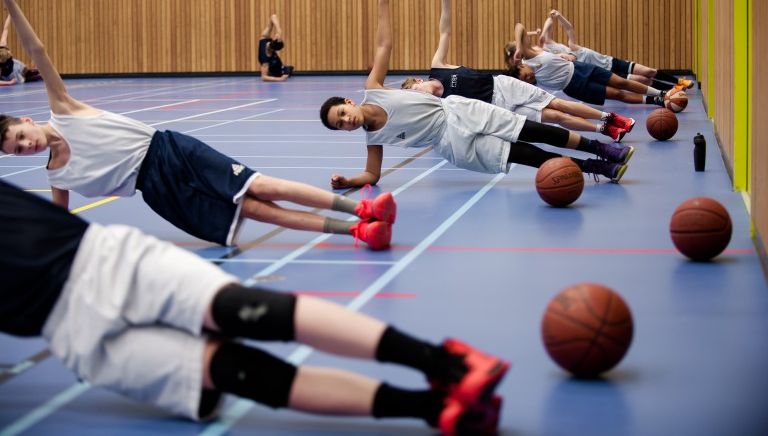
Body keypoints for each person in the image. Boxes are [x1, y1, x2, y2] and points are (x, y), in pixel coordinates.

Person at [0, 178, 509, 436]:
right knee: (240, 370)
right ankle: (438, 406)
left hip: (100, 262)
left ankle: (446, 366)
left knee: (245, 311)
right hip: (73, 329)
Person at [0, 0, 392, 251]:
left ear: (28, 121)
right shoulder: (57, 177)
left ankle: (363, 207)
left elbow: (37, 51)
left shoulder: (64, 109)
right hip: (156, 190)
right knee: (257, 212)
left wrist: (10, 1)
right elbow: (59, 226)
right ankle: (357, 232)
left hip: (169, 151)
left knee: (261, 187)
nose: (25, 146)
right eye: (17, 151)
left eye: (20, 136)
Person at [319, 0, 634, 187]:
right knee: (526, 155)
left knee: (536, 129)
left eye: (342, 114)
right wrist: (349, 181)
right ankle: (597, 169)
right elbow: (372, 175)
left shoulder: (374, 90)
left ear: (349, 102)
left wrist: (383, 1)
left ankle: (603, 149)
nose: (347, 121)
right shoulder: (373, 139)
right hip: (451, 142)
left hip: (460, 110)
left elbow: (383, 45)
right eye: (340, 125)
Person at [401, 0, 635, 142]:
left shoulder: (438, 68)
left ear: (419, 81)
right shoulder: (438, 105)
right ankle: (604, 129)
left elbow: (445, 32)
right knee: (554, 117)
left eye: (414, 91)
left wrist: (445, 1)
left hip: (503, 86)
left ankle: (612, 118)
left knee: (558, 104)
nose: (417, 97)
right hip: (498, 108)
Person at [505, 22, 685, 109]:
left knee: (621, 82)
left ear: (521, 65)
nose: (530, 78)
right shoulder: (527, 72)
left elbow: (519, 26)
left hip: (580, 68)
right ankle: (656, 101)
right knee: (616, 94)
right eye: (528, 80)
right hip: (573, 86)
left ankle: (661, 93)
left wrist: (520, 48)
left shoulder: (529, 55)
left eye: (527, 76)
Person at [538, 9, 695, 91]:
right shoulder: (562, 61)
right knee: (644, 81)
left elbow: (556, 25)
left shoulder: (573, 47)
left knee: (649, 71)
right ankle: (673, 89)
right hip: (610, 74)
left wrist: (558, 16)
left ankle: (679, 81)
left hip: (613, 62)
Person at [1, 13, 42, 86]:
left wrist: (10, 15)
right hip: (9, 74)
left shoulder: (2, 44)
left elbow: (5, 29)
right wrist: (9, 82)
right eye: (9, 55)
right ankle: (29, 78)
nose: (11, 54)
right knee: (22, 79)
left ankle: (29, 72)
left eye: (9, 52)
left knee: (24, 68)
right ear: (2, 60)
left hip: (14, 64)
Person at [259, 13, 294, 82]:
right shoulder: (265, 58)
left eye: (277, 36)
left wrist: (279, 30)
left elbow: (273, 16)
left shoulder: (264, 38)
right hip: (277, 72)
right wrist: (279, 30)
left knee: (288, 69)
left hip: (280, 69)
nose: (278, 35)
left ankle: (286, 68)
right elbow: (264, 77)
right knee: (288, 69)